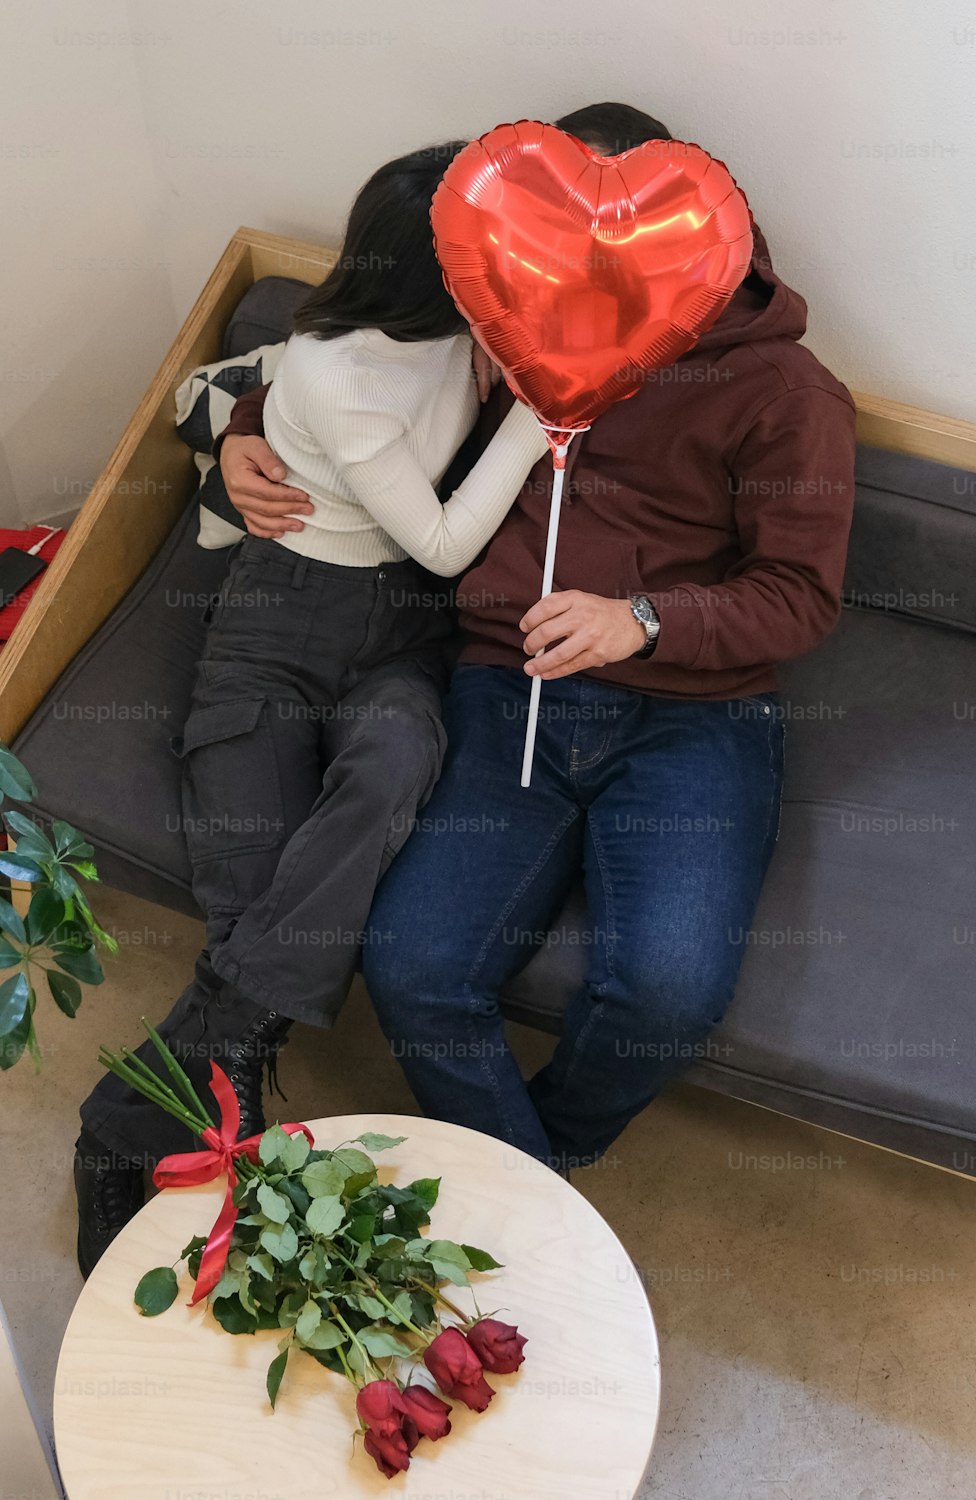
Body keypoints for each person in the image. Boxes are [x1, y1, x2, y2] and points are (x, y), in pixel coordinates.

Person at [218, 101, 857, 1173]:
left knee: (664, 997)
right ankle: (528, 1195)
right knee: (415, 969)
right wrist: (246, 434)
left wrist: (643, 621)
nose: (576, 268)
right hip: (507, 688)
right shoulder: (501, 319)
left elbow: (799, 596)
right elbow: (351, 371)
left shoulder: (786, 393)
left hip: (692, 717)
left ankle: (531, 1182)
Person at [73, 142, 548, 1274]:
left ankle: (132, 1123)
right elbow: (431, 530)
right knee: (251, 874)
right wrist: (536, 419)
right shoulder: (338, 363)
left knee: (399, 752)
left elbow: (411, 545)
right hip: (282, 618)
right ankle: (222, 1085)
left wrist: (523, 378)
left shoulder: (474, 320)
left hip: (399, 630)